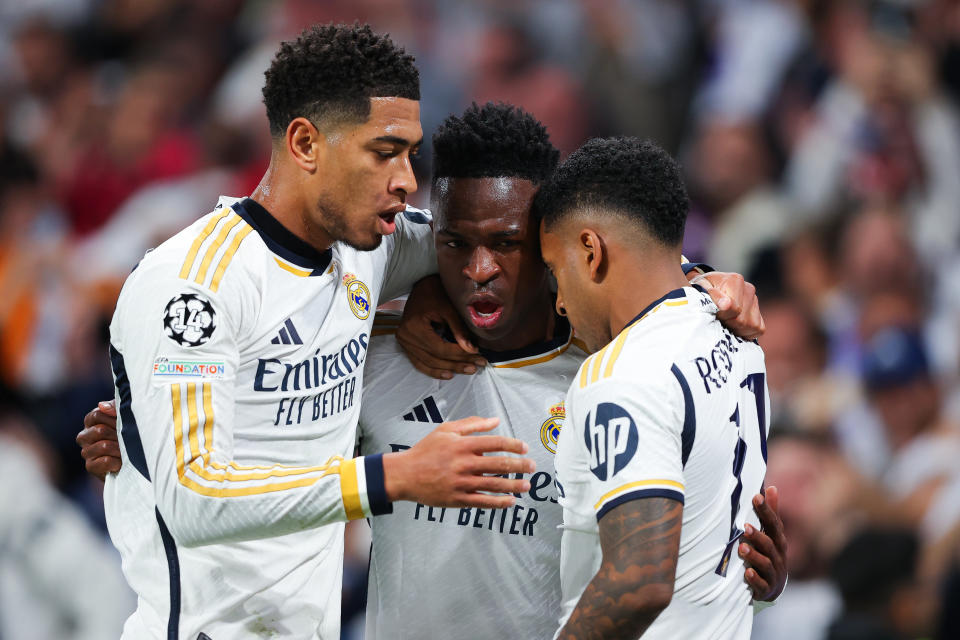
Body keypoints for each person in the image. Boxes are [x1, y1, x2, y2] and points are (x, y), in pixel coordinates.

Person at [84, 104, 786, 637]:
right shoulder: (375, 351)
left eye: (507, 244)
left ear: (556, 242)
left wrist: (749, 574)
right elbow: (246, 445)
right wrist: (142, 436)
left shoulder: (609, 371)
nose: (479, 271)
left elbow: (682, 538)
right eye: (456, 244)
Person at [99, 24, 534, 640]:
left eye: (410, 152)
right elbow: (194, 497)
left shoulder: (368, 248)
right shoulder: (193, 286)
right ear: (305, 142)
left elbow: (519, 246)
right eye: (384, 153)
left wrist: (700, 280)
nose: (408, 179)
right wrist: (394, 476)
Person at [538, 137, 774, 639]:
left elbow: (639, 581)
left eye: (556, 272)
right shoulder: (739, 334)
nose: (559, 302)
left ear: (590, 250)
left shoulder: (620, 374)